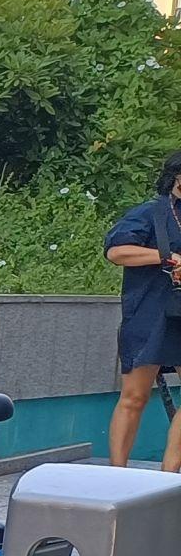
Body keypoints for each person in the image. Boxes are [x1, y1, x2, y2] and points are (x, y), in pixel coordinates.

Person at [103, 151, 181, 472]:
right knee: (134, 397)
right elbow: (116, 251)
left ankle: (169, 476)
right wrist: (167, 258)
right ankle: (117, 473)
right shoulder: (150, 213)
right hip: (150, 313)